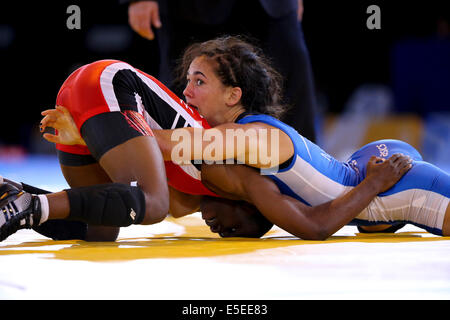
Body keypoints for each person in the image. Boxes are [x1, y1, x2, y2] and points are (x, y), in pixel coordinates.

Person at [0, 54, 411, 242]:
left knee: (101, 230)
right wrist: (372, 185)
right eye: (239, 229)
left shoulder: (191, 198)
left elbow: (136, 166)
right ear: (251, 206)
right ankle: (31, 208)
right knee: (153, 203)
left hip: (97, 103)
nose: (222, 231)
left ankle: (13, 195)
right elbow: (314, 226)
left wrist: (86, 137)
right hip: (110, 86)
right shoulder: (239, 173)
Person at [122, 0, 317, 142]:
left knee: (291, 99)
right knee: (183, 102)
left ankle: (308, 189)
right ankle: (190, 193)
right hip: (189, 11)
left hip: (273, 7)